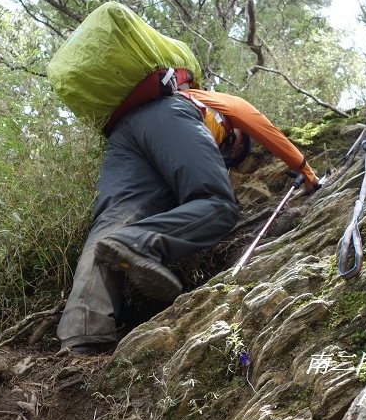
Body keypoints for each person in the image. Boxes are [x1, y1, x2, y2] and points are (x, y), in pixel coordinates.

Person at [56, 70, 321, 356]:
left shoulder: (152, 105)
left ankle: (81, 335)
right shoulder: (210, 100)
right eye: (234, 146)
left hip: (124, 135)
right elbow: (257, 121)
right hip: (172, 117)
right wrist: (305, 170)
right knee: (217, 204)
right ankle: (136, 243)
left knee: (111, 224)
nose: (228, 152)